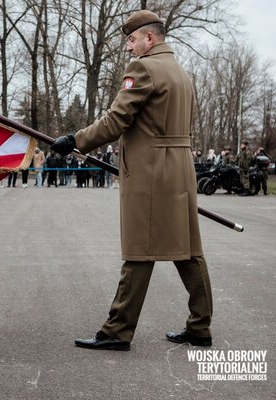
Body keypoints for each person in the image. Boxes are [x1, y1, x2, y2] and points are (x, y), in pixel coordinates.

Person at [52, 10, 213, 351]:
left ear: (149, 38)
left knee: (140, 251)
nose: (128, 48)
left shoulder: (143, 68)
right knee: (188, 250)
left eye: (132, 40)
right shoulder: (180, 72)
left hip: (152, 171)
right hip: (180, 169)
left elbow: (115, 120)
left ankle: (117, 331)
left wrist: (76, 140)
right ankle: (199, 327)